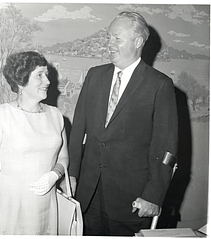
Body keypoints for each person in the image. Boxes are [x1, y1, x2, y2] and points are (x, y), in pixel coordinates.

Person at [68, 11, 178, 236]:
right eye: (108, 37)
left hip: (132, 201)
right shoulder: (94, 76)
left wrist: (153, 195)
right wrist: (72, 175)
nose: (109, 44)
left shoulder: (159, 85)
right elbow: (77, 130)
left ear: (138, 42)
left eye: (116, 38)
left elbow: (166, 148)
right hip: (87, 195)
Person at [0, 51, 69, 235]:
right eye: (39, 76)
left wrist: (55, 174)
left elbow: (64, 156)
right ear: (21, 83)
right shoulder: (1, 115)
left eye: (47, 75)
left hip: (46, 203)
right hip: (12, 203)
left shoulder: (56, 116)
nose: (48, 81)